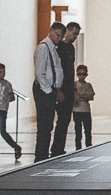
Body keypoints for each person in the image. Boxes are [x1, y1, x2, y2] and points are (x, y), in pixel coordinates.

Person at [33, 22, 65, 161]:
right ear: (51, 31)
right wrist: (49, 92)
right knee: (44, 126)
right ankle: (40, 157)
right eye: (58, 35)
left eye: (61, 37)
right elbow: (39, 74)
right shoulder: (43, 48)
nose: (59, 38)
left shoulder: (53, 48)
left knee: (48, 126)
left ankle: (43, 156)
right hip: (44, 91)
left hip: (50, 91)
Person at [50, 22, 81, 156]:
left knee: (66, 119)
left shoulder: (71, 48)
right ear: (67, 31)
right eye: (73, 33)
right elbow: (57, 69)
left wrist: (73, 89)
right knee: (61, 119)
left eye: (77, 35)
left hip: (68, 87)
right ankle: (55, 149)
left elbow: (71, 70)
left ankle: (59, 148)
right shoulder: (59, 47)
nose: (74, 37)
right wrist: (58, 90)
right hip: (61, 87)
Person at [73, 64, 96, 149]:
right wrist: (84, 96)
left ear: (86, 75)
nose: (81, 76)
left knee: (88, 131)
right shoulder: (74, 84)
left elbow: (91, 97)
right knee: (78, 132)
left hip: (86, 110)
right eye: (79, 74)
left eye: (83, 74)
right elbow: (75, 97)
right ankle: (78, 148)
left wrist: (81, 96)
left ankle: (88, 146)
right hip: (77, 110)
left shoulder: (88, 85)